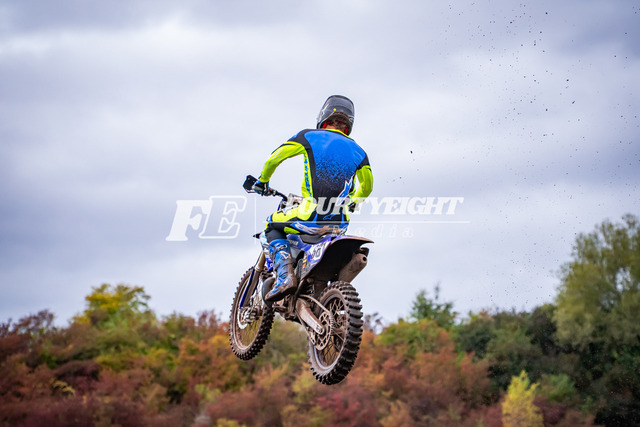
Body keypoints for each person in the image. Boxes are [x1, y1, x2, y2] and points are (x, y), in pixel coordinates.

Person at [252, 95, 373, 302]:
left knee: (271, 225)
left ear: (324, 117)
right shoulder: (359, 151)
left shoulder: (309, 136)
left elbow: (274, 159)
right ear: (348, 124)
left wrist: (262, 181)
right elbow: (367, 187)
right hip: (340, 225)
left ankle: (284, 276)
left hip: (310, 215)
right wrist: (353, 201)